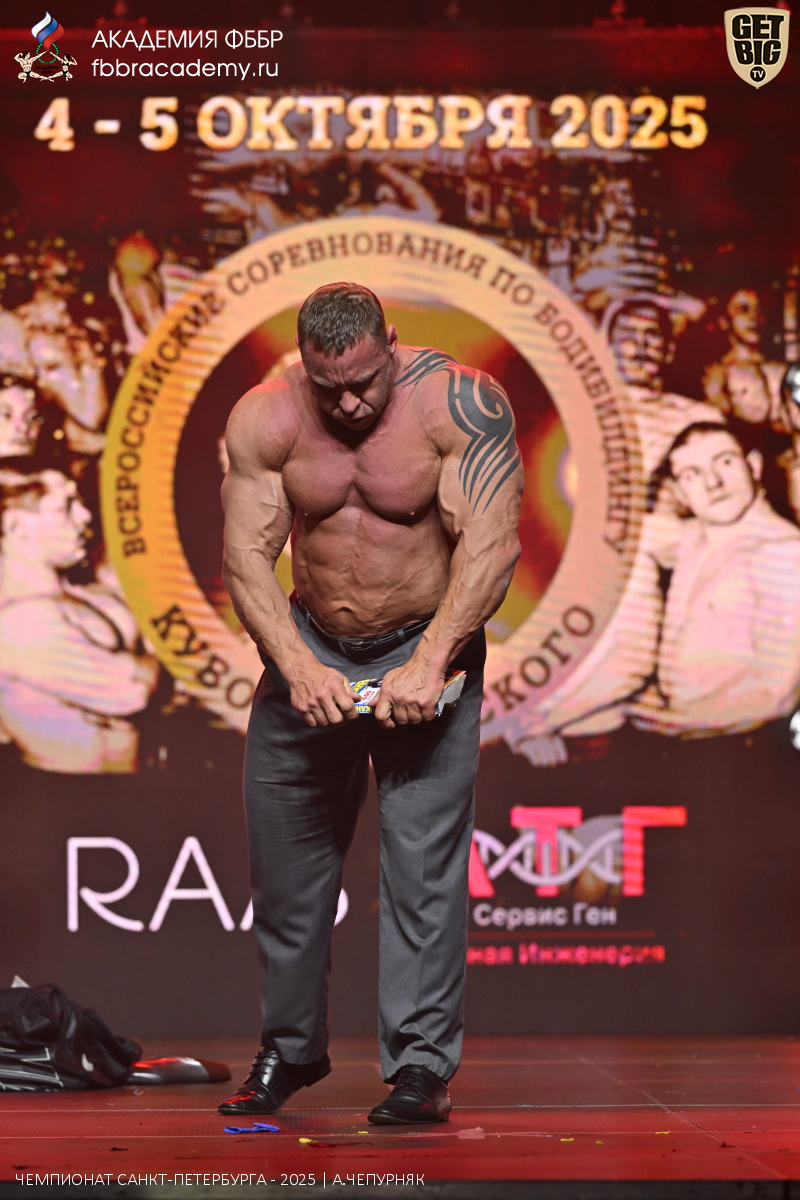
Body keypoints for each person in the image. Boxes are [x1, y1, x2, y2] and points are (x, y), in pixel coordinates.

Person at [219, 283, 522, 1123]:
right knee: (287, 870)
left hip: (425, 648)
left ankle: (420, 1068)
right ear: (305, 365)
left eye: (363, 381)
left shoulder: (458, 403)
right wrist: (294, 664)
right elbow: (245, 555)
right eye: (330, 388)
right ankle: (290, 1050)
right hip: (310, 649)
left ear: (390, 341)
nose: (349, 403)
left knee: (422, 870)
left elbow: (492, 544)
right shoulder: (268, 416)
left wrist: (431, 662)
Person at [505, 298, 722, 764]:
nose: (640, 347)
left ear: (668, 350)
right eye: (628, 337)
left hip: (669, 553)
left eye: (652, 337)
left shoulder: (697, 419)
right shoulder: (572, 412)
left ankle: (541, 719)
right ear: (608, 346)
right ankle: (537, 718)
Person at [629, 423, 800, 735]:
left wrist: (672, 721)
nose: (713, 483)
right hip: (677, 727)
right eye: (691, 474)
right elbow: (618, 531)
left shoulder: (783, 554)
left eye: (725, 462)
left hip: (741, 740)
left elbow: (777, 693)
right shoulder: (693, 536)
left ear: (754, 466)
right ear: (679, 491)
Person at [0, 470, 158, 772]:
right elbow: (130, 692)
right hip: (76, 791)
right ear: (15, 525)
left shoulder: (80, 595)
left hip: (131, 780)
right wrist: (160, 658)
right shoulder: (21, 623)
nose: (84, 516)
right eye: (65, 508)